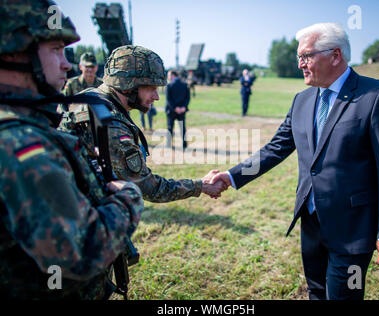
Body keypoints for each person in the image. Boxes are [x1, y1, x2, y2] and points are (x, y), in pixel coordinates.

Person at [210, 22, 379, 300]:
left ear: (335, 56)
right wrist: (231, 176)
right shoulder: (302, 100)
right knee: (316, 293)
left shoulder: (376, 96)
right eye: (299, 57)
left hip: (352, 229)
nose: (301, 64)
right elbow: (275, 149)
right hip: (311, 224)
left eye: (307, 56)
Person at [0, 0, 143, 299]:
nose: (66, 62)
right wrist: (129, 199)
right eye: (55, 49)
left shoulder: (28, 127)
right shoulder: (22, 145)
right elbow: (82, 250)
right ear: (13, 53)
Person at [59, 45, 224, 204]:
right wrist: (200, 185)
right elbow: (149, 188)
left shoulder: (91, 96)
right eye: (151, 88)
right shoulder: (112, 126)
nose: (156, 96)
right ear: (127, 86)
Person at [165, 70, 190, 149]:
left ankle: (169, 144)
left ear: (173, 75)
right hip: (182, 110)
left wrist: (175, 108)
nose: (168, 77)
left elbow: (168, 99)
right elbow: (187, 98)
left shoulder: (169, 85)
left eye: (169, 75)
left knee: (170, 127)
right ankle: (184, 144)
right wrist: (184, 107)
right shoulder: (184, 84)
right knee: (182, 127)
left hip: (171, 110)